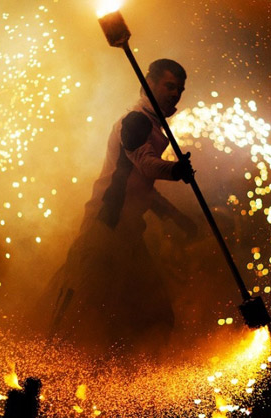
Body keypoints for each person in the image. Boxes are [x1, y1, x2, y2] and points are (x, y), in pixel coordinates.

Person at [37, 59, 196, 355]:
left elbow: (140, 187)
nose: (175, 94)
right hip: (105, 227)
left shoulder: (151, 125)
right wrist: (175, 171)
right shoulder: (135, 122)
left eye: (180, 89)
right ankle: (43, 368)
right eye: (170, 86)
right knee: (78, 305)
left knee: (154, 312)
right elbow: (145, 164)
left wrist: (175, 216)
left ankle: (118, 379)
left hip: (128, 233)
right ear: (149, 84)